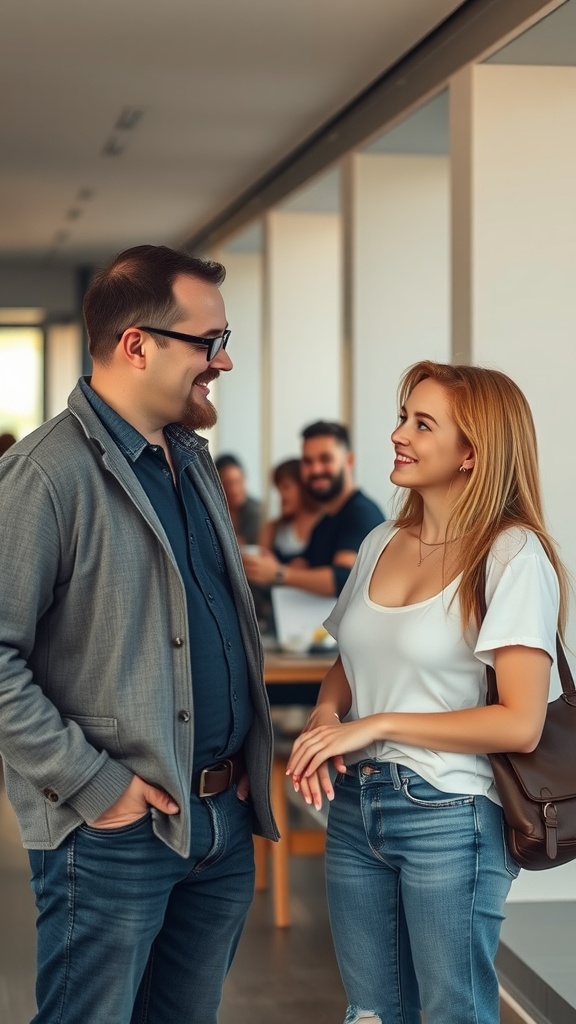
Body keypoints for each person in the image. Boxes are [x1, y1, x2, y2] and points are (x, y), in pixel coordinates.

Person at [0, 244, 277, 1024]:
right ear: (137, 345)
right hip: (114, 832)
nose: (222, 363)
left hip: (219, 821)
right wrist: (97, 786)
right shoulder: (46, 475)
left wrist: (243, 755)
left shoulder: (188, 460)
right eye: (209, 342)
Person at [286, 360, 568, 1024]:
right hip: (356, 807)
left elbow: (520, 722)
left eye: (421, 423)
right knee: (371, 1012)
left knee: (451, 1013)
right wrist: (327, 718)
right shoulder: (382, 539)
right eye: (402, 417)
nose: (397, 435)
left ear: (471, 452)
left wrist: (374, 724)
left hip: (451, 815)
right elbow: (348, 663)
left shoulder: (510, 556)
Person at [243, 421, 384, 597]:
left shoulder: (361, 512)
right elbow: (306, 566)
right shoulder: (324, 522)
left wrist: (279, 573)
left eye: (325, 459)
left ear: (349, 461)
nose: (316, 469)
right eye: (308, 461)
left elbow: (344, 579)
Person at [259, 457, 321, 561]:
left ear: (303, 486)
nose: (281, 496)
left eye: (286, 487)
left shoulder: (326, 524)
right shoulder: (271, 529)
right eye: (279, 489)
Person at [215, 452, 263, 546]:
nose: (235, 490)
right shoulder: (213, 511)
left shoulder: (255, 510)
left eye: (238, 481)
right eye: (229, 483)